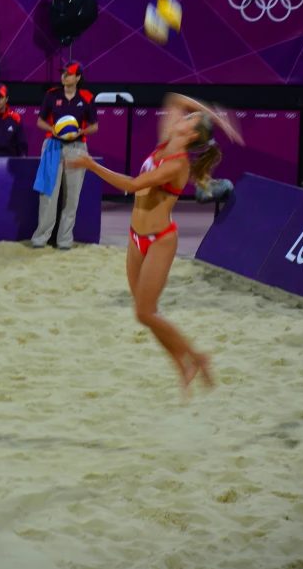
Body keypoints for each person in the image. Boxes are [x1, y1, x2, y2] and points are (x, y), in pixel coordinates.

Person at [67, 92, 244, 392]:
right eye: (186, 116)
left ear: (189, 135)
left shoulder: (178, 164)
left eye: (189, 120)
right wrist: (212, 115)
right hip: (136, 236)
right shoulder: (168, 141)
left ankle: (198, 357)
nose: (182, 117)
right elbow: (175, 100)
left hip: (160, 240)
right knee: (146, 314)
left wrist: (91, 165)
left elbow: (134, 185)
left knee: (145, 312)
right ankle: (181, 364)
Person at [31, 60, 98, 251]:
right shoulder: (52, 95)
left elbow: (94, 126)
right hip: (53, 146)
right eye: (63, 73)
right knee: (48, 194)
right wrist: (52, 129)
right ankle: (41, 238)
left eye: (69, 74)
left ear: (78, 78)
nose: (64, 76)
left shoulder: (86, 97)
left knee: (72, 197)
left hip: (77, 147)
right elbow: (40, 122)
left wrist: (81, 132)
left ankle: (65, 240)